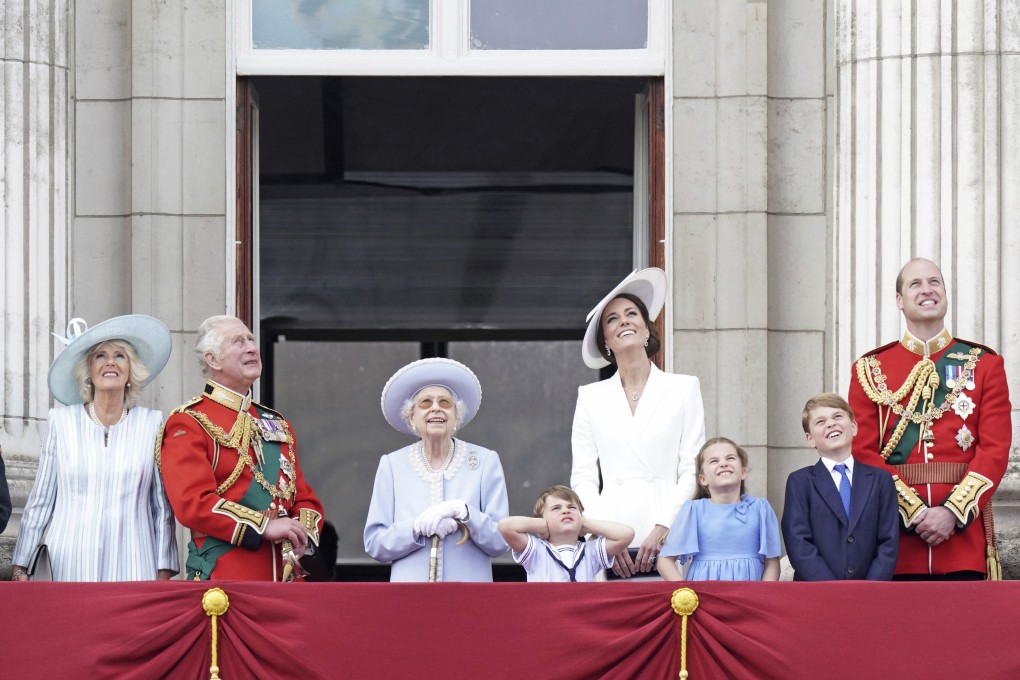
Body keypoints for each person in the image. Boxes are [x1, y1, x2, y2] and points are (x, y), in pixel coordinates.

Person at [847, 258, 1012, 580]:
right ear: (900, 300)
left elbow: (995, 449)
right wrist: (914, 512)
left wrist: (952, 511)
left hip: (962, 537)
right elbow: (862, 450)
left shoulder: (984, 364)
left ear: (945, 294)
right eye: (916, 284)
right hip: (895, 537)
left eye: (935, 282)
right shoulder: (870, 369)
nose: (927, 290)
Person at [11, 315, 178, 581]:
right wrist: (21, 566)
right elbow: (41, 500)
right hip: (68, 565)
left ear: (130, 370)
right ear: (88, 370)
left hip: (134, 566)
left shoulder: (152, 424)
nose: (110, 362)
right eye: (100, 356)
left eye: (119, 355)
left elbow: (161, 507)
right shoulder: (61, 422)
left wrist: (163, 571)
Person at [158, 315, 324, 581]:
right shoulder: (189, 421)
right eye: (238, 342)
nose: (251, 347)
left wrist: (301, 532)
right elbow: (192, 503)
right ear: (213, 360)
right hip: (226, 577)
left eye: (251, 340)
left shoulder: (276, 422)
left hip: (286, 577)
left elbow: (305, 498)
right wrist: (264, 526)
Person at [570, 268, 705, 578]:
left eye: (632, 313)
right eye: (612, 319)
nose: (624, 321)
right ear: (606, 340)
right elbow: (584, 478)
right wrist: (604, 538)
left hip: (669, 531)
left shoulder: (684, 387)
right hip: (613, 529)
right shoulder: (590, 397)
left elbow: (691, 469)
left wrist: (663, 527)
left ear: (647, 330)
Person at [365, 358, 509, 581]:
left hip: (470, 596)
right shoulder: (392, 465)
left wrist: (465, 513)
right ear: (411, 417)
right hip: (409, 596)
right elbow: (375, 543)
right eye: (425, 403)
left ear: (456, 416)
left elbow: (501, 542)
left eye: (445, 402)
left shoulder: (484, 461)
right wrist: (415, 528)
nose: (435, 408)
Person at [782, 394, 899, 581]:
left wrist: (871, 588)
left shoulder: (880, 479)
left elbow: (888, 541)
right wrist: (832, 591)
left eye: (837, 416)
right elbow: (798, 542)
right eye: (820, 421)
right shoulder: (800, 482)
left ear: (853, 427)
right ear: (810, 439)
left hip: (870, 593)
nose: (831, 424)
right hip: (818, 593)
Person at [657, 438, 781, 581]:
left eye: (730, 458)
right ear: (702, 479)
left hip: (750, 595)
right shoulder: (693, 510)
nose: (723, 463)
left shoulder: (761, 509)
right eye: (714, 461)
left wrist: (761, 598)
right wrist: (685, 593)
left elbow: (772, 562)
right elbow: (664, 561)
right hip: (704, 596)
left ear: (743, 472)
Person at [499, 485, 633, 582]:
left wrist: (585, 525)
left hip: (580, 618)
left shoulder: (590, 552)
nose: (565, 511)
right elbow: (505, 526)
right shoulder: (536, 550)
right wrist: (541, 525)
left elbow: (626, 534)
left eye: (572, 507)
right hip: (547, 618)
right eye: (556, 508)